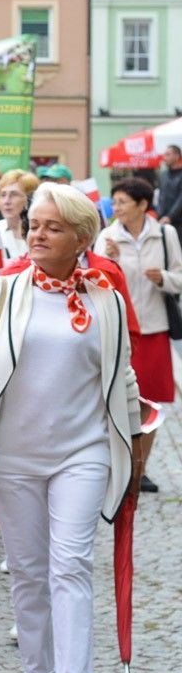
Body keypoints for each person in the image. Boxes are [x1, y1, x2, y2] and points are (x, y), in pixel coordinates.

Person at [0, 183, 141, 673]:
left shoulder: (107, 296)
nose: (37, 233)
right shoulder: (3, 289)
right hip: (14, 455)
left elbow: (122, 378)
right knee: (30, 573)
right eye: (34, 224)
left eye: (52, 227)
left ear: (81, 238)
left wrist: (132, 458)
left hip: (83, 453)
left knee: (71, 566)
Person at [100, 177, 182, 493]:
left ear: (142, 205)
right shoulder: (108, 236)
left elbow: (179, 277)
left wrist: (162, 277)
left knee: (151, 404)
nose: (116, 208)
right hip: (120, 330)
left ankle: (139, 470)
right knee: (117, 401)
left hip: (155, 329)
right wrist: (110, 262)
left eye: (122, 202)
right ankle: (115, 468)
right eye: (115, 202)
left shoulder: (165, 234)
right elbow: (95, 280)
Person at [0, 170, 39, 258]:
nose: (6, 201)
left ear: (29, 198)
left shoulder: (39, 232)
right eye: (3, 195)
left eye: (14, 194)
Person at [158, 144, 182, 225]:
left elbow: (180, 199)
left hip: (178, 221)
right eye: (164, 155)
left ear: (177, 156)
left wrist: (170, 216)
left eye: (168, 154)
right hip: (162, 220)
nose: (165, 158)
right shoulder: (163, 175)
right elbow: (161, 197)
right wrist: (159, 214)